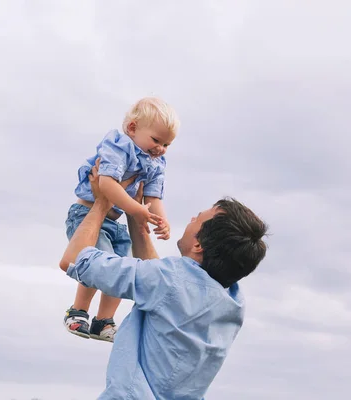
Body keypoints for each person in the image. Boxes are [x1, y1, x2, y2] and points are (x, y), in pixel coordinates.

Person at [59, 160, 269, 399]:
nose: (191, 218)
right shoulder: (233, 303)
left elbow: (74, 260)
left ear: (198, 244)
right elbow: (166, 284)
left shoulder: (168, 280)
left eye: (196, 219)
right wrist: (135, 215)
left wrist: (103, 202)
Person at [62, 96, 180, 342]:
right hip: (87, 213)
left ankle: (103, 320)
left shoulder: (156, 162)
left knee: (124, 267)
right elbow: (106, 184)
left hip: (114, 222)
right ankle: (78, 311)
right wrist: (137, 211)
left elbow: (152, 197)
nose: (160, 148)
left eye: (167, 144)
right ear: (133, 128)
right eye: (156, 140)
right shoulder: (119, 145)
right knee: (97, 261)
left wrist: (162, 221)